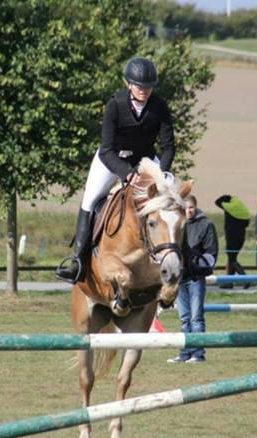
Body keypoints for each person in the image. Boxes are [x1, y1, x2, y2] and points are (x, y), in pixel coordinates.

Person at [56, 56, 175, 284]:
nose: (144, 91)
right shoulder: (115, 105)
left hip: (146, 161)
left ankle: (182, 256)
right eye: (140, 86)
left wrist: (162, 173)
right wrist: (126, 174)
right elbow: (106, 149)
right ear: (128, 84)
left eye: (148, 87)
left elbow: (168, 146)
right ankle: (77, 261)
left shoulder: (159, 107)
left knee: (170, 200)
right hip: (113, 159)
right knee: (90, 199)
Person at [168, 195, 218, 364]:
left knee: (196, 317)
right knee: (184, 318)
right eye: (185, 208)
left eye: (191, 207)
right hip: (181, 278)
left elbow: (211, 253)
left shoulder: (206, 225)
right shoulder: (177, 224)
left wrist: (196, 264)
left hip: (196, 277)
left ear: (196, 207)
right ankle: (184, 353)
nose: (188, 211)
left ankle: (198, 353)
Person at [214, 194, 250, 279]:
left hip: (232, 238)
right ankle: (229, 282)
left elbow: (217, 202)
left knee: (232, 259)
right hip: (241, 238)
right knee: (232, 259)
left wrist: (225, 199)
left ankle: (245, 279)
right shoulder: (241, 209)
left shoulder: (229, 209)